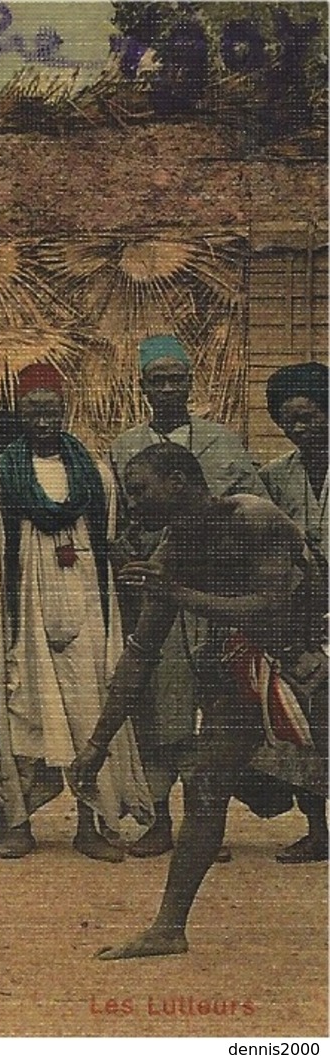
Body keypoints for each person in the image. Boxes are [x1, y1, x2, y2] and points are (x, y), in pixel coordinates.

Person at [71, 443, 326, 959]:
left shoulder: (251, 516)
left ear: (179, 481)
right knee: (204, 787)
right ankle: (169, 927)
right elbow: (139, 655)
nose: (132, 502)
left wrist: (180, 594)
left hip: (314, 657)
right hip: (248, 667)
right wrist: (96, 746)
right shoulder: (172, 552)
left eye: (140, 490)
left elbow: (272, 606)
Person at [0, 363, 153, 860]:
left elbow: (109, 538)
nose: (44, 419)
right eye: (34, 410)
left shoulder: (94, 472)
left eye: (52, 409)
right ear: (19, 414)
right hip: (22, 609)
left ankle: (92, 825)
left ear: (65, 410)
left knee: (90, 706)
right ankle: (16, 821)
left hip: (87, 607)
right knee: (20, 708)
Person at [107, 335, 267, 857]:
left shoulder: (223, 443)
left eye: (177, 379)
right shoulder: (124, 446)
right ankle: (159, 820)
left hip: (214, 593)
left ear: (190, 384)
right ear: (144, 387)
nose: (168, 389)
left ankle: (207, 823)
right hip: (154, 594)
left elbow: (250, 508)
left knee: (210, 707)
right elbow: (118, 523)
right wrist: (128, 555)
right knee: (156, 706)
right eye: (158, 381)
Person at [258, 362, 329, 863]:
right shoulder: (276, 476)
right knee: (307, 722)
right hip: (302, 615)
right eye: (290, 421)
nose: (300, 429)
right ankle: (317, 829)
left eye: (309, 417)